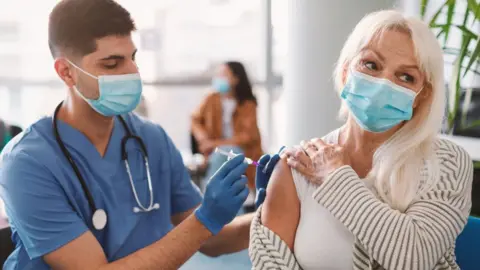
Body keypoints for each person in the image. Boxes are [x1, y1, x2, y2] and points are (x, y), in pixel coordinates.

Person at [0, 1, 281, 269]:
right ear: (66, 72)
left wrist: (277, 209)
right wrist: (204, 219)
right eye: (112, 64)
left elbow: (212, 239)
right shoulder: (27, 162)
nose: (132, 72)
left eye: (132, 58)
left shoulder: (150, 139)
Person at [249, 10, 474, 270]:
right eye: (371, 65)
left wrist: (337, 177)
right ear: (346, 73)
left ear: (422, 96)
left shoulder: (445, 162)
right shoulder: (297, 166)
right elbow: (271, 264)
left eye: (406, 77)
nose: (383, 83)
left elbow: (415, 257)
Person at [191, 61, 263, 194]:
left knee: (225, 155)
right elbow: (195, 120)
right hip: (214, 151)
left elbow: (246, 137)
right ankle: (215, 199)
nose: (219, 78)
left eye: (224, 75)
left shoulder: (248, 104)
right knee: (220, 159)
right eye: (218, 75)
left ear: (236, 79)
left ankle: (209, 195)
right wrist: (203, 138)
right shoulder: (211, 99)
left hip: (241, 152)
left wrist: (213, 144)